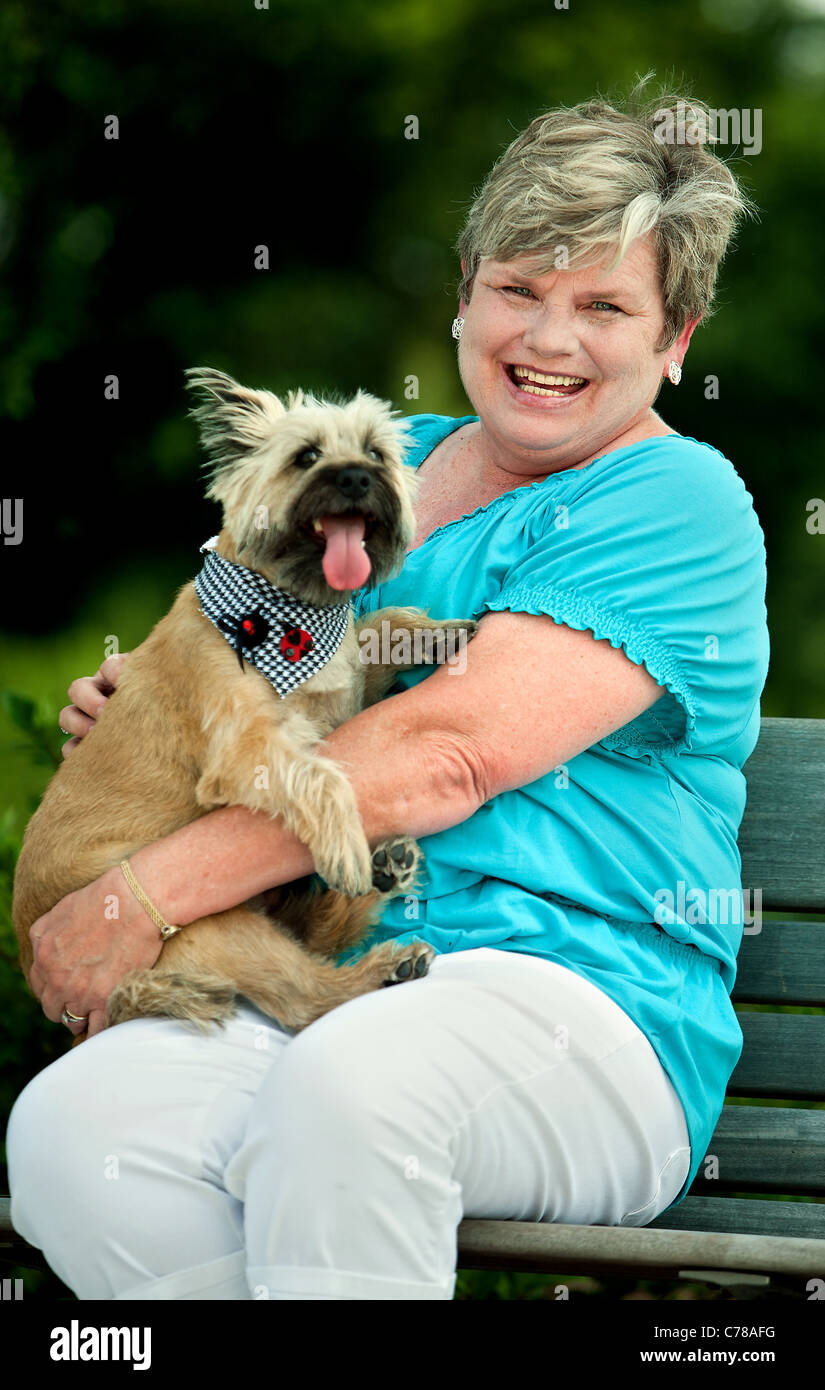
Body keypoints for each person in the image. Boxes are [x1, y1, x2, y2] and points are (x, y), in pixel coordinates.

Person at [6, 79, 769, 1301]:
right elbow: (209, 660)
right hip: (311, 971)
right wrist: (150, 718)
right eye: (519, 290)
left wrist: (139, 896)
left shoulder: (679, 505)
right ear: (465, 291)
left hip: (575, 1005)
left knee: (352, 1095)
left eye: (604, 307)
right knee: (77, 1135)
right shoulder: (368, 464)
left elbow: (445, 755)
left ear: (676, 343)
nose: (549, 339)